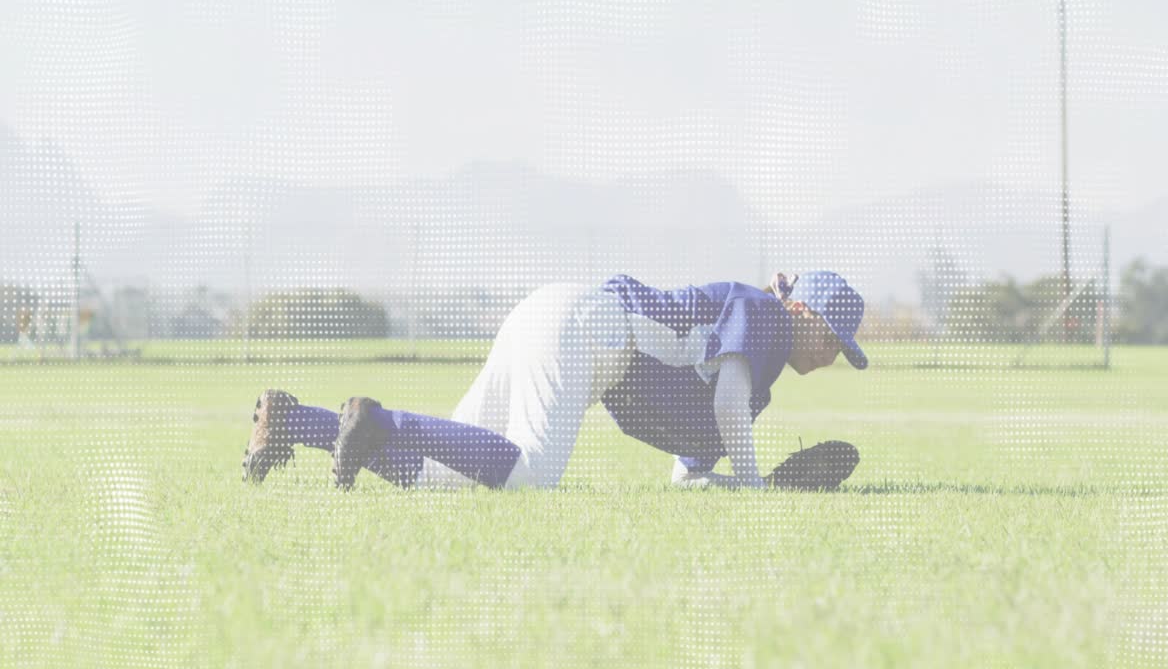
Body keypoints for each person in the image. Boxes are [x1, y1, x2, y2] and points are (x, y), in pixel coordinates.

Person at [242, 271, 868, 490]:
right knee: (529, 476)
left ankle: (297, 420)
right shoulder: (766, 321)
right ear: (805, 313)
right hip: (589, 331)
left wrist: (729, 484)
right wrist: (757, 485)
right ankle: (375, 419)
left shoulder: (755, 366)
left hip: (557, 317)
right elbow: (730, 399)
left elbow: (688, 475)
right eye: (837, 342)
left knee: (448, 477)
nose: (836, 357)